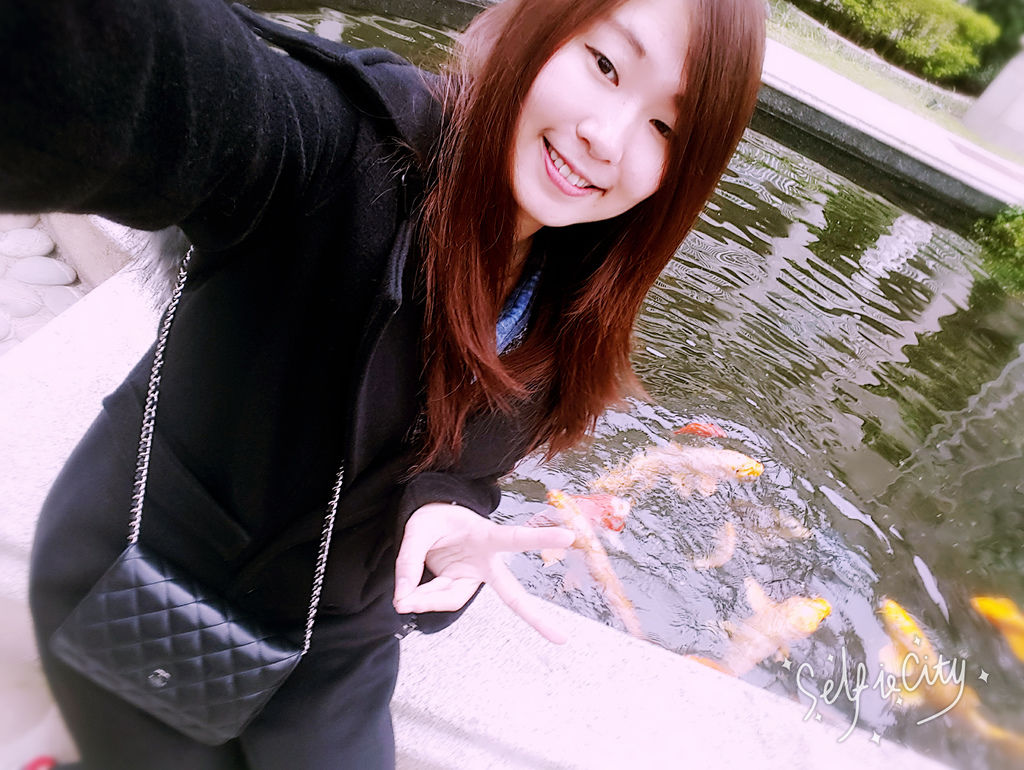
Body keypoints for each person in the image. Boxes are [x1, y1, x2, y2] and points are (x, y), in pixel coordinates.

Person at [1, 0, 765, 766]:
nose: (607, 137)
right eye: (604, 65)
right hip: (151, 585)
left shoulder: (569, 297)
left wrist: (448, 516)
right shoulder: (337, 155)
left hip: (332, 649)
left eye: (665, 127)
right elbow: (150, 79)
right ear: (538, 23)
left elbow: (459, 462)